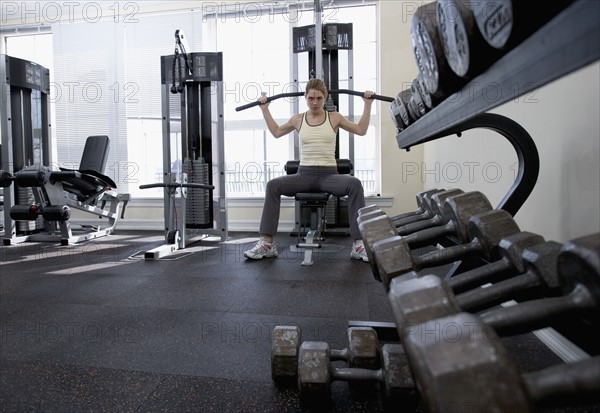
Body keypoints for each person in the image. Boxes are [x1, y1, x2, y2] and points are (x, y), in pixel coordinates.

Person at [244, 78, 375, 262]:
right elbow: (276, 132)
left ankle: (359, 244)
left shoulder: (334, 117)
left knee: (354, 184)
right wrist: (265, 110)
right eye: (311, 98)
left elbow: (361, 130)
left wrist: (367, 105)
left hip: (329, 175)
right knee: (273, 185)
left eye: (319, 98)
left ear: (325, 97)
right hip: (303, 175)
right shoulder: (298, 119)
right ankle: (267, 243)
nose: (315, 102)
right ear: (305, 97)